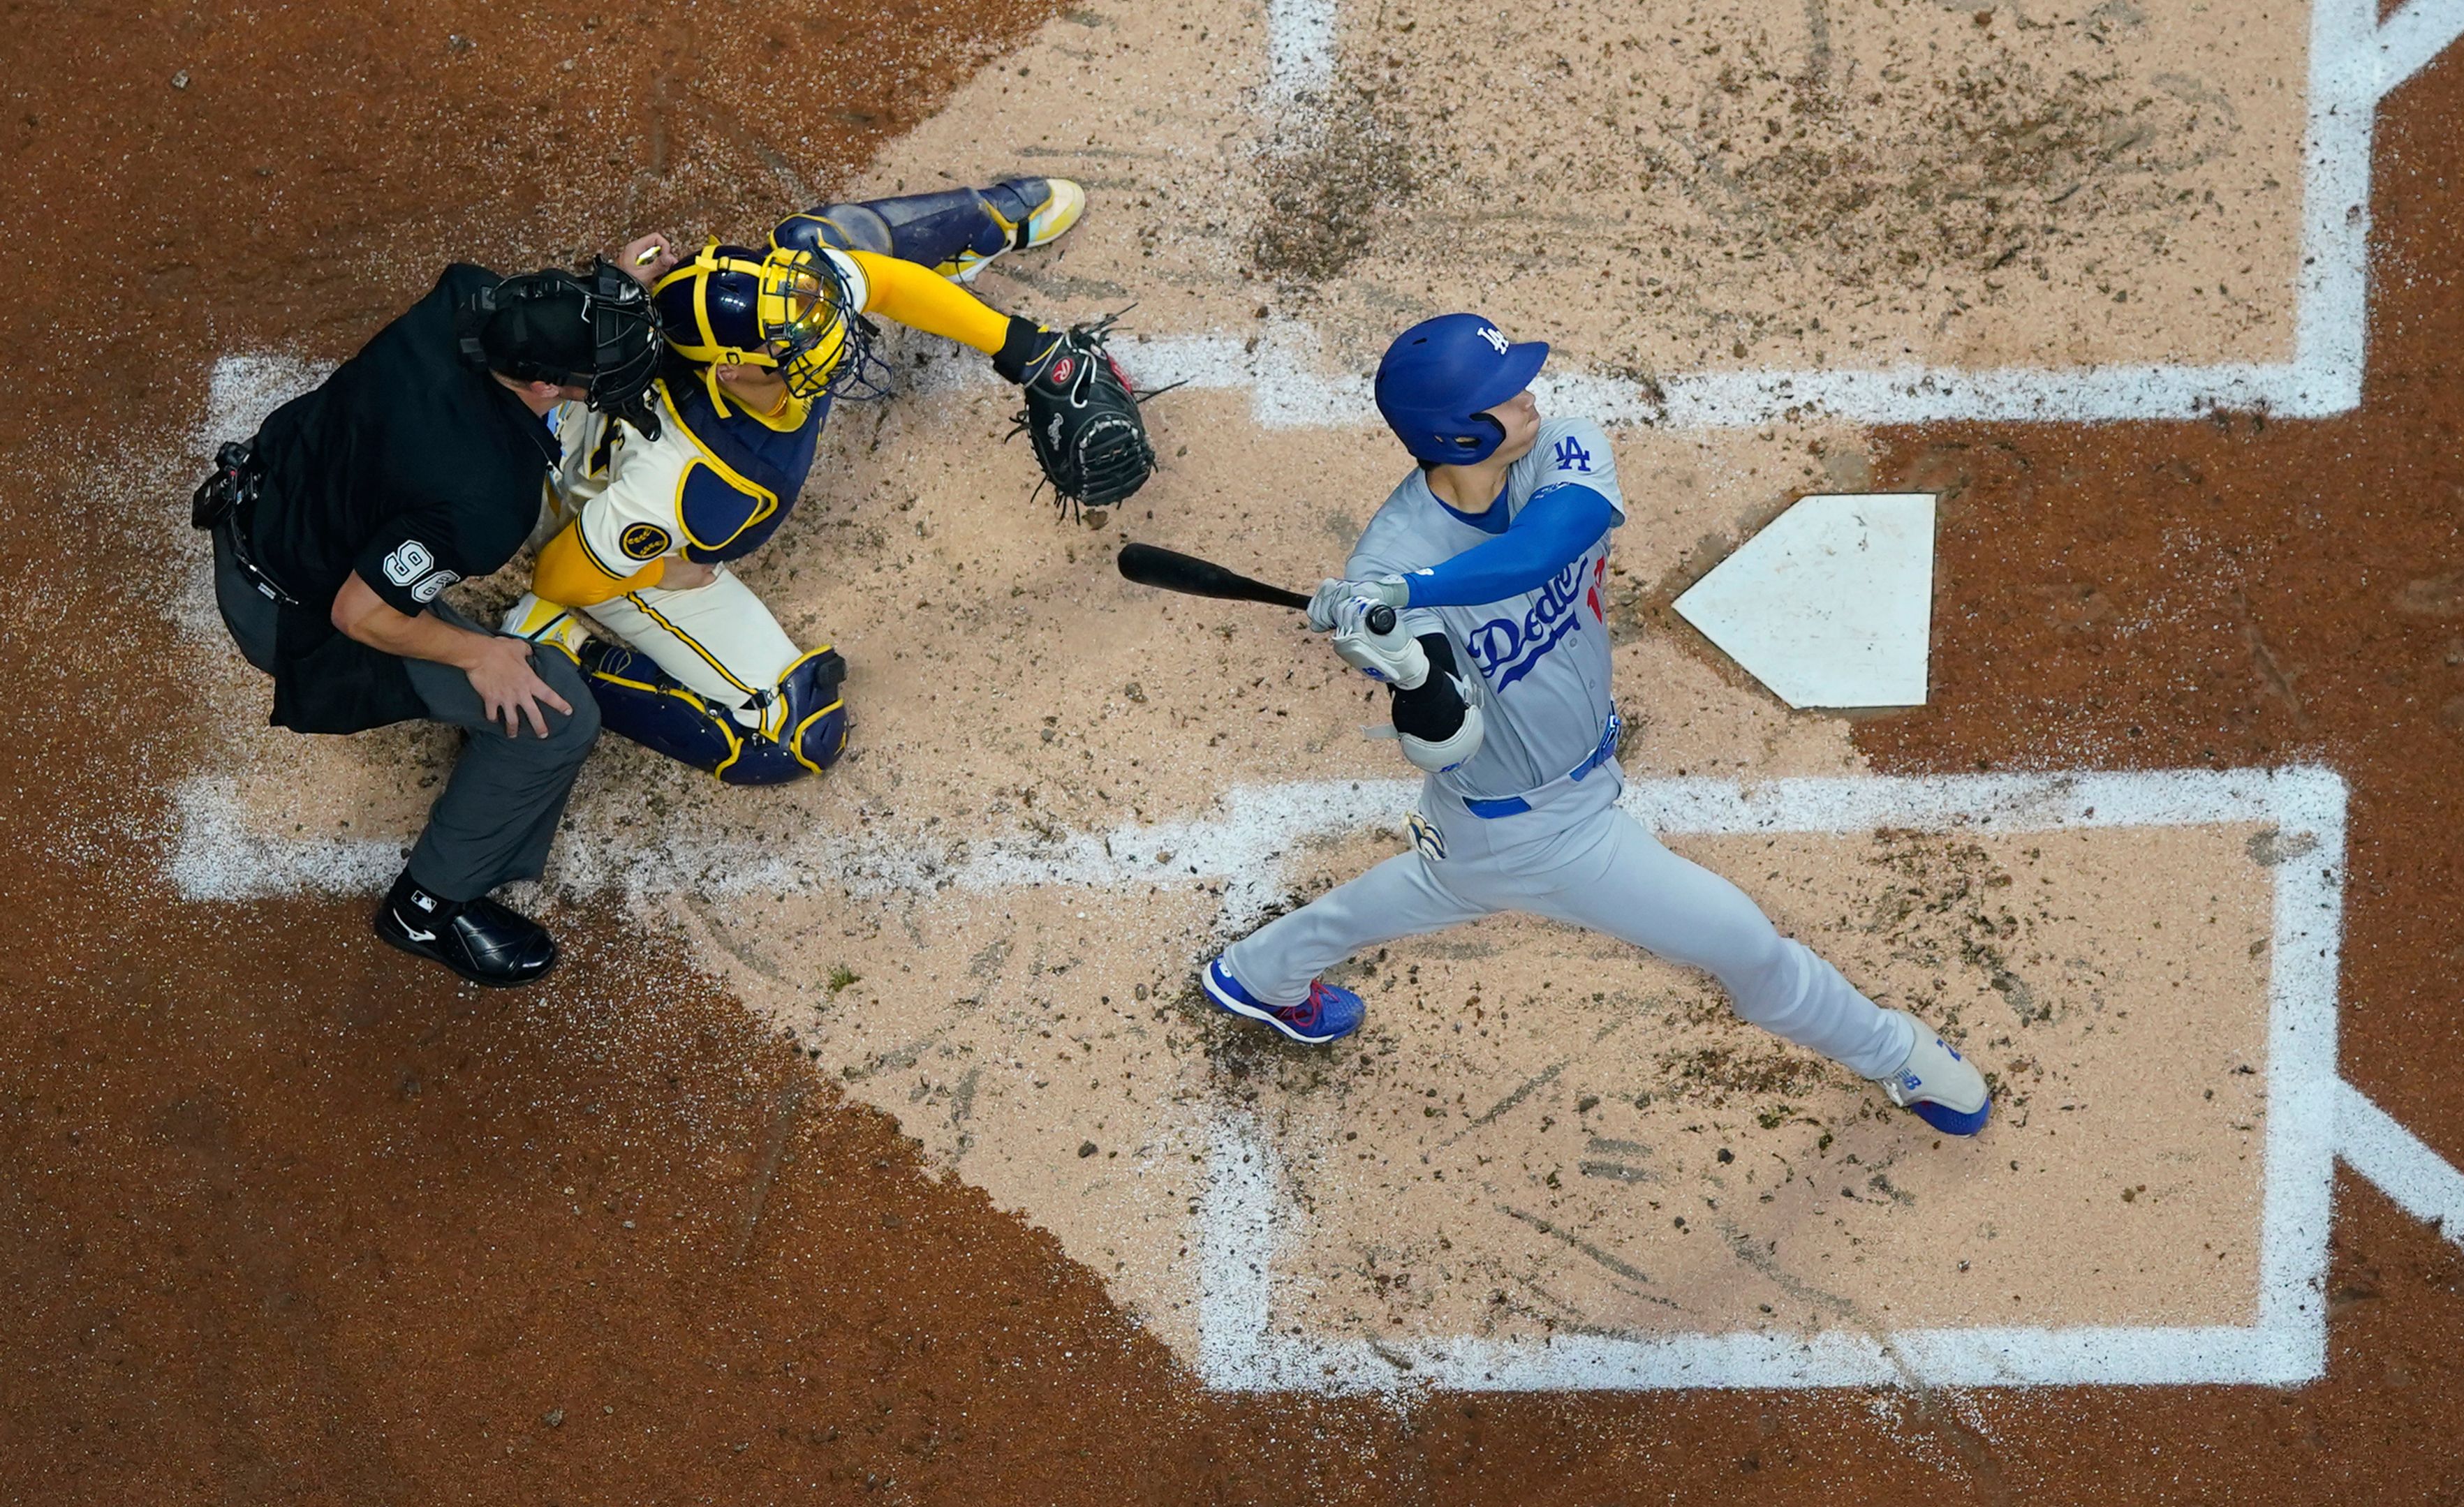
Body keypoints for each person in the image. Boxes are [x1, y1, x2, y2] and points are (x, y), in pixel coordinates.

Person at [1194, 313, 1991, 1136]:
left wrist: (1415, 592)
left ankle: (1259, 973)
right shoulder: (1385, 566)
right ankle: (1898, 1054)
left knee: (1446, 883)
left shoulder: (1553, 450)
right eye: (1502, 395)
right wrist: (1400, 662)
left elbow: (1549, 543)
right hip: (1539, 828)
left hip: (1524, 805)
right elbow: (1443, 739)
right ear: (1458, 434)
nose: (1530, 396)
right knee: (1746, 945)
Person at [497, 176, 1147, 782]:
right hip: (591, 525)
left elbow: (873, 284)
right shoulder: (688, 485)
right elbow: (559, 572)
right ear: (729, 370)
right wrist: (660, 571)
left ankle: (985, 220)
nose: (833, 338)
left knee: (816, 248)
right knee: (796, 736)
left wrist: (1023, 348)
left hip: (668, 408)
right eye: (792, 351)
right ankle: (558, 647)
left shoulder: (775, 325)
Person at [195, 259, 663, 987]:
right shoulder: (488, 498)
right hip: (293, 609)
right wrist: (479, 655)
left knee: (417, 547)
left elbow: (535, 308)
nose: (601, 384)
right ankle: (429, 909)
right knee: (557, 717)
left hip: (268, 494)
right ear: (542, 385)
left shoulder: (466, 298)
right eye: (590, 374)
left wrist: (595, 308)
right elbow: (362, 612)